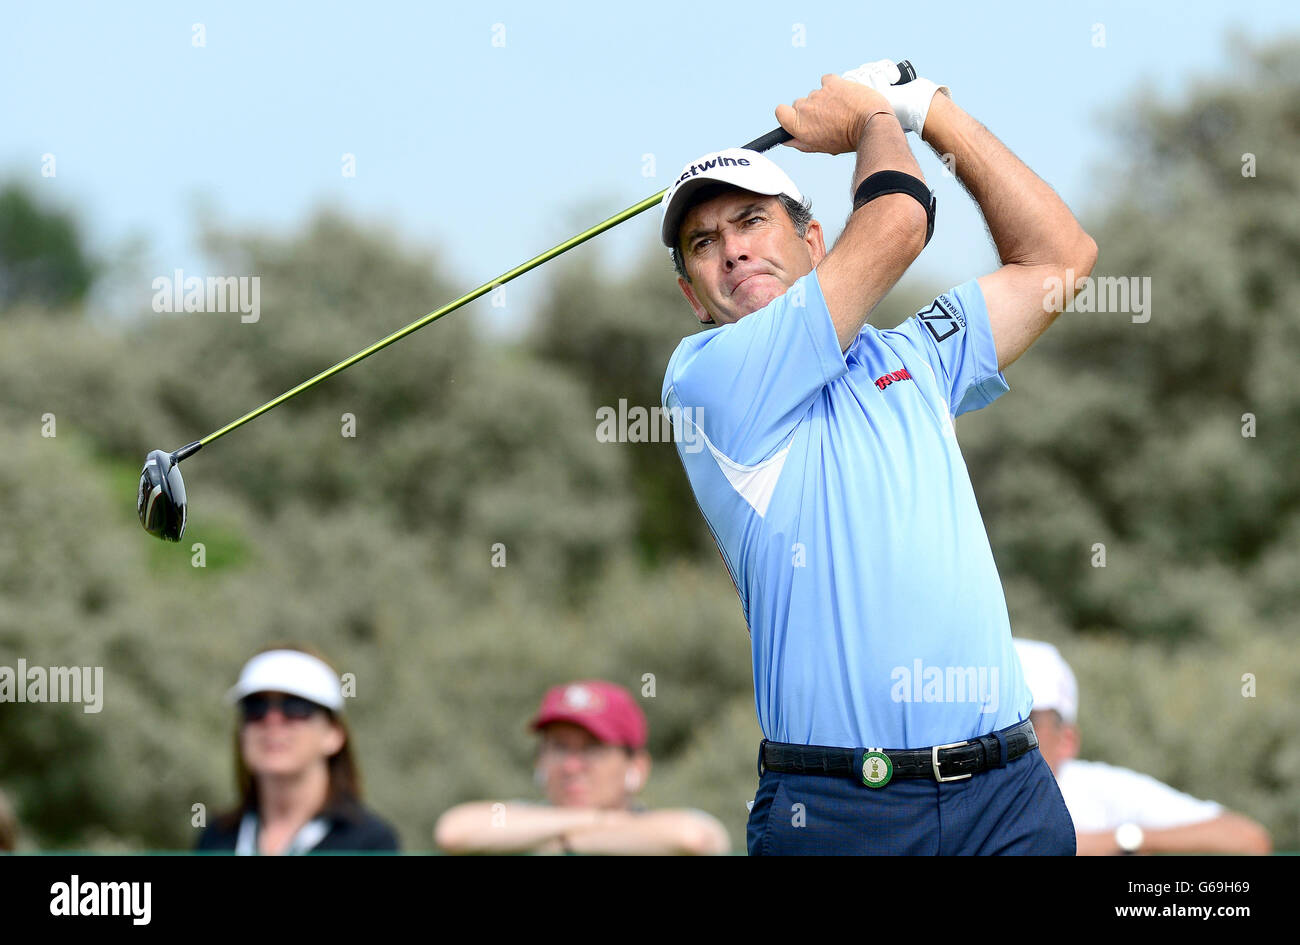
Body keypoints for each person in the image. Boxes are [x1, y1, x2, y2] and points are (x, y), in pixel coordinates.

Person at [659, 60, 1097, 855]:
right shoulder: (707, 380)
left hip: (1009, 797)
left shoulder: (916, 357)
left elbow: (1058, 258)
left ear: (813, 240)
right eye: (703, 242)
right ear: (694, 293)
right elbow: (898, 222)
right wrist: (871, 122)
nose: (730, 250)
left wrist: (929, 109)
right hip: (837, 812)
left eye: (752, 221)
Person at [1014, 638, 1272, 856]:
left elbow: (1249, 841)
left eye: (1024, 720)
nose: (1001, 736)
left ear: (1066, 740)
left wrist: (1121, 841)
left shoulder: (1096, 789)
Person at [434, 680, 730, 855]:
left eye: (593, 748)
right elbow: (454, 831)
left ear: (637, 767)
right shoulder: (519, 815)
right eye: (559, 747)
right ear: (539, 758)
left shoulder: (526, 831)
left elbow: (693, 837)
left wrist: (563, 841)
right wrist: (600, 821)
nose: (572, 765)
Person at [196, 645, 400, 854]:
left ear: (334, 733)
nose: (272, 719)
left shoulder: (370, 841)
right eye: (255, 707)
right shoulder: (216, 836)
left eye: (295, 706)